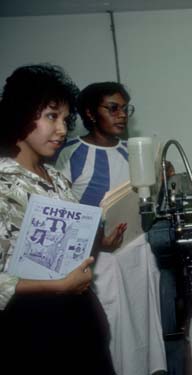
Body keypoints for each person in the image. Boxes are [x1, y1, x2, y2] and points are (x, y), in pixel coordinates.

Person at [0, 64, 120, 374]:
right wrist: (57, 285)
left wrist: (99, 241)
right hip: (35, 332)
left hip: (81, 321)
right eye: (51, 117)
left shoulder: (56, 177)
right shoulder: (3, 183)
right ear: (21, 114)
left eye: (66, 120)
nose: (62, 130)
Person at [54, 82, 134, 207]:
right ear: (90, 113)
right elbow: (60, 204)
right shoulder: (69, 151)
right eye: (113, 108)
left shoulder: (133, 149)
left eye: (125, 108)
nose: (123, 115)